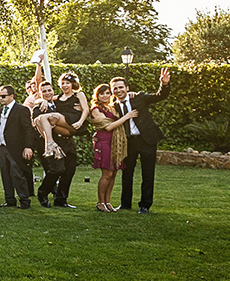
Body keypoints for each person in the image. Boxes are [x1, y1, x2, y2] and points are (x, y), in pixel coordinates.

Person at [112, 68, 171, 214]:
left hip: (147, 140)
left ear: (127, 88)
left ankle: (144, 205)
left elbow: (160, 96)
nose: (118, 90)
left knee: (148, 173)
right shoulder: (113, 107)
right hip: (128, 143)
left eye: (121, 87)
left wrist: (164, 84)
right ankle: (125, 204)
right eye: (115, 88)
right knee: (127, 174)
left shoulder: (139, 97)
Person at [89, 84, 137, 212]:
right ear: (97, 95)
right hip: (104, 142)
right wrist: (127, 116)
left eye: (107, 93)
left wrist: (130, 93)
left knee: (114, 173)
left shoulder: (112, 107)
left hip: (115, 143)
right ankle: (100, 202)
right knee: (107, 173)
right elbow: (108, 127)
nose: (105, 96)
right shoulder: (96, 109)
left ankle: (107, 202)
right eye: (102, 93)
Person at [32, 82, 78, 209]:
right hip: (52, 143)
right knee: (57, 169)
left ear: (53, 91)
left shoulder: (60, 104)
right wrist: (41, 101)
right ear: (40, 93)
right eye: (44, 91)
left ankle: (61, 199)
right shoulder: (38, 108)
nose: (47, 93)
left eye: (49, 90)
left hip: (68, 142)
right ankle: (43, 193)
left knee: (69, 171)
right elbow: (38, 126)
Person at [0, 85, 35, 209]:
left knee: (17, 173)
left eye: (3, 96)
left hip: (16, 147)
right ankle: (9, 200)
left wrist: (28, 146)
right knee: (5, 174)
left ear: (12, 96)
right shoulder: (0, 111)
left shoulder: (21, 109)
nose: (0, 98)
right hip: (2, 146)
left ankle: (24, 200)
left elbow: (28, 129)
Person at [34, 72, 89, 159]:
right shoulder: (58, 97)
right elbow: (42, 99)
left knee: (44, 117)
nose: (65, 85)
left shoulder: (78, 95)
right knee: (37, 120)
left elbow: (85, 109)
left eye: (67, 83)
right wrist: (43, 101)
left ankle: (49, 144)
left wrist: (80, 122)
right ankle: (54, 146)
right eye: (62, 83)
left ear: (72, 84)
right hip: (64, 126)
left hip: (73, 120)